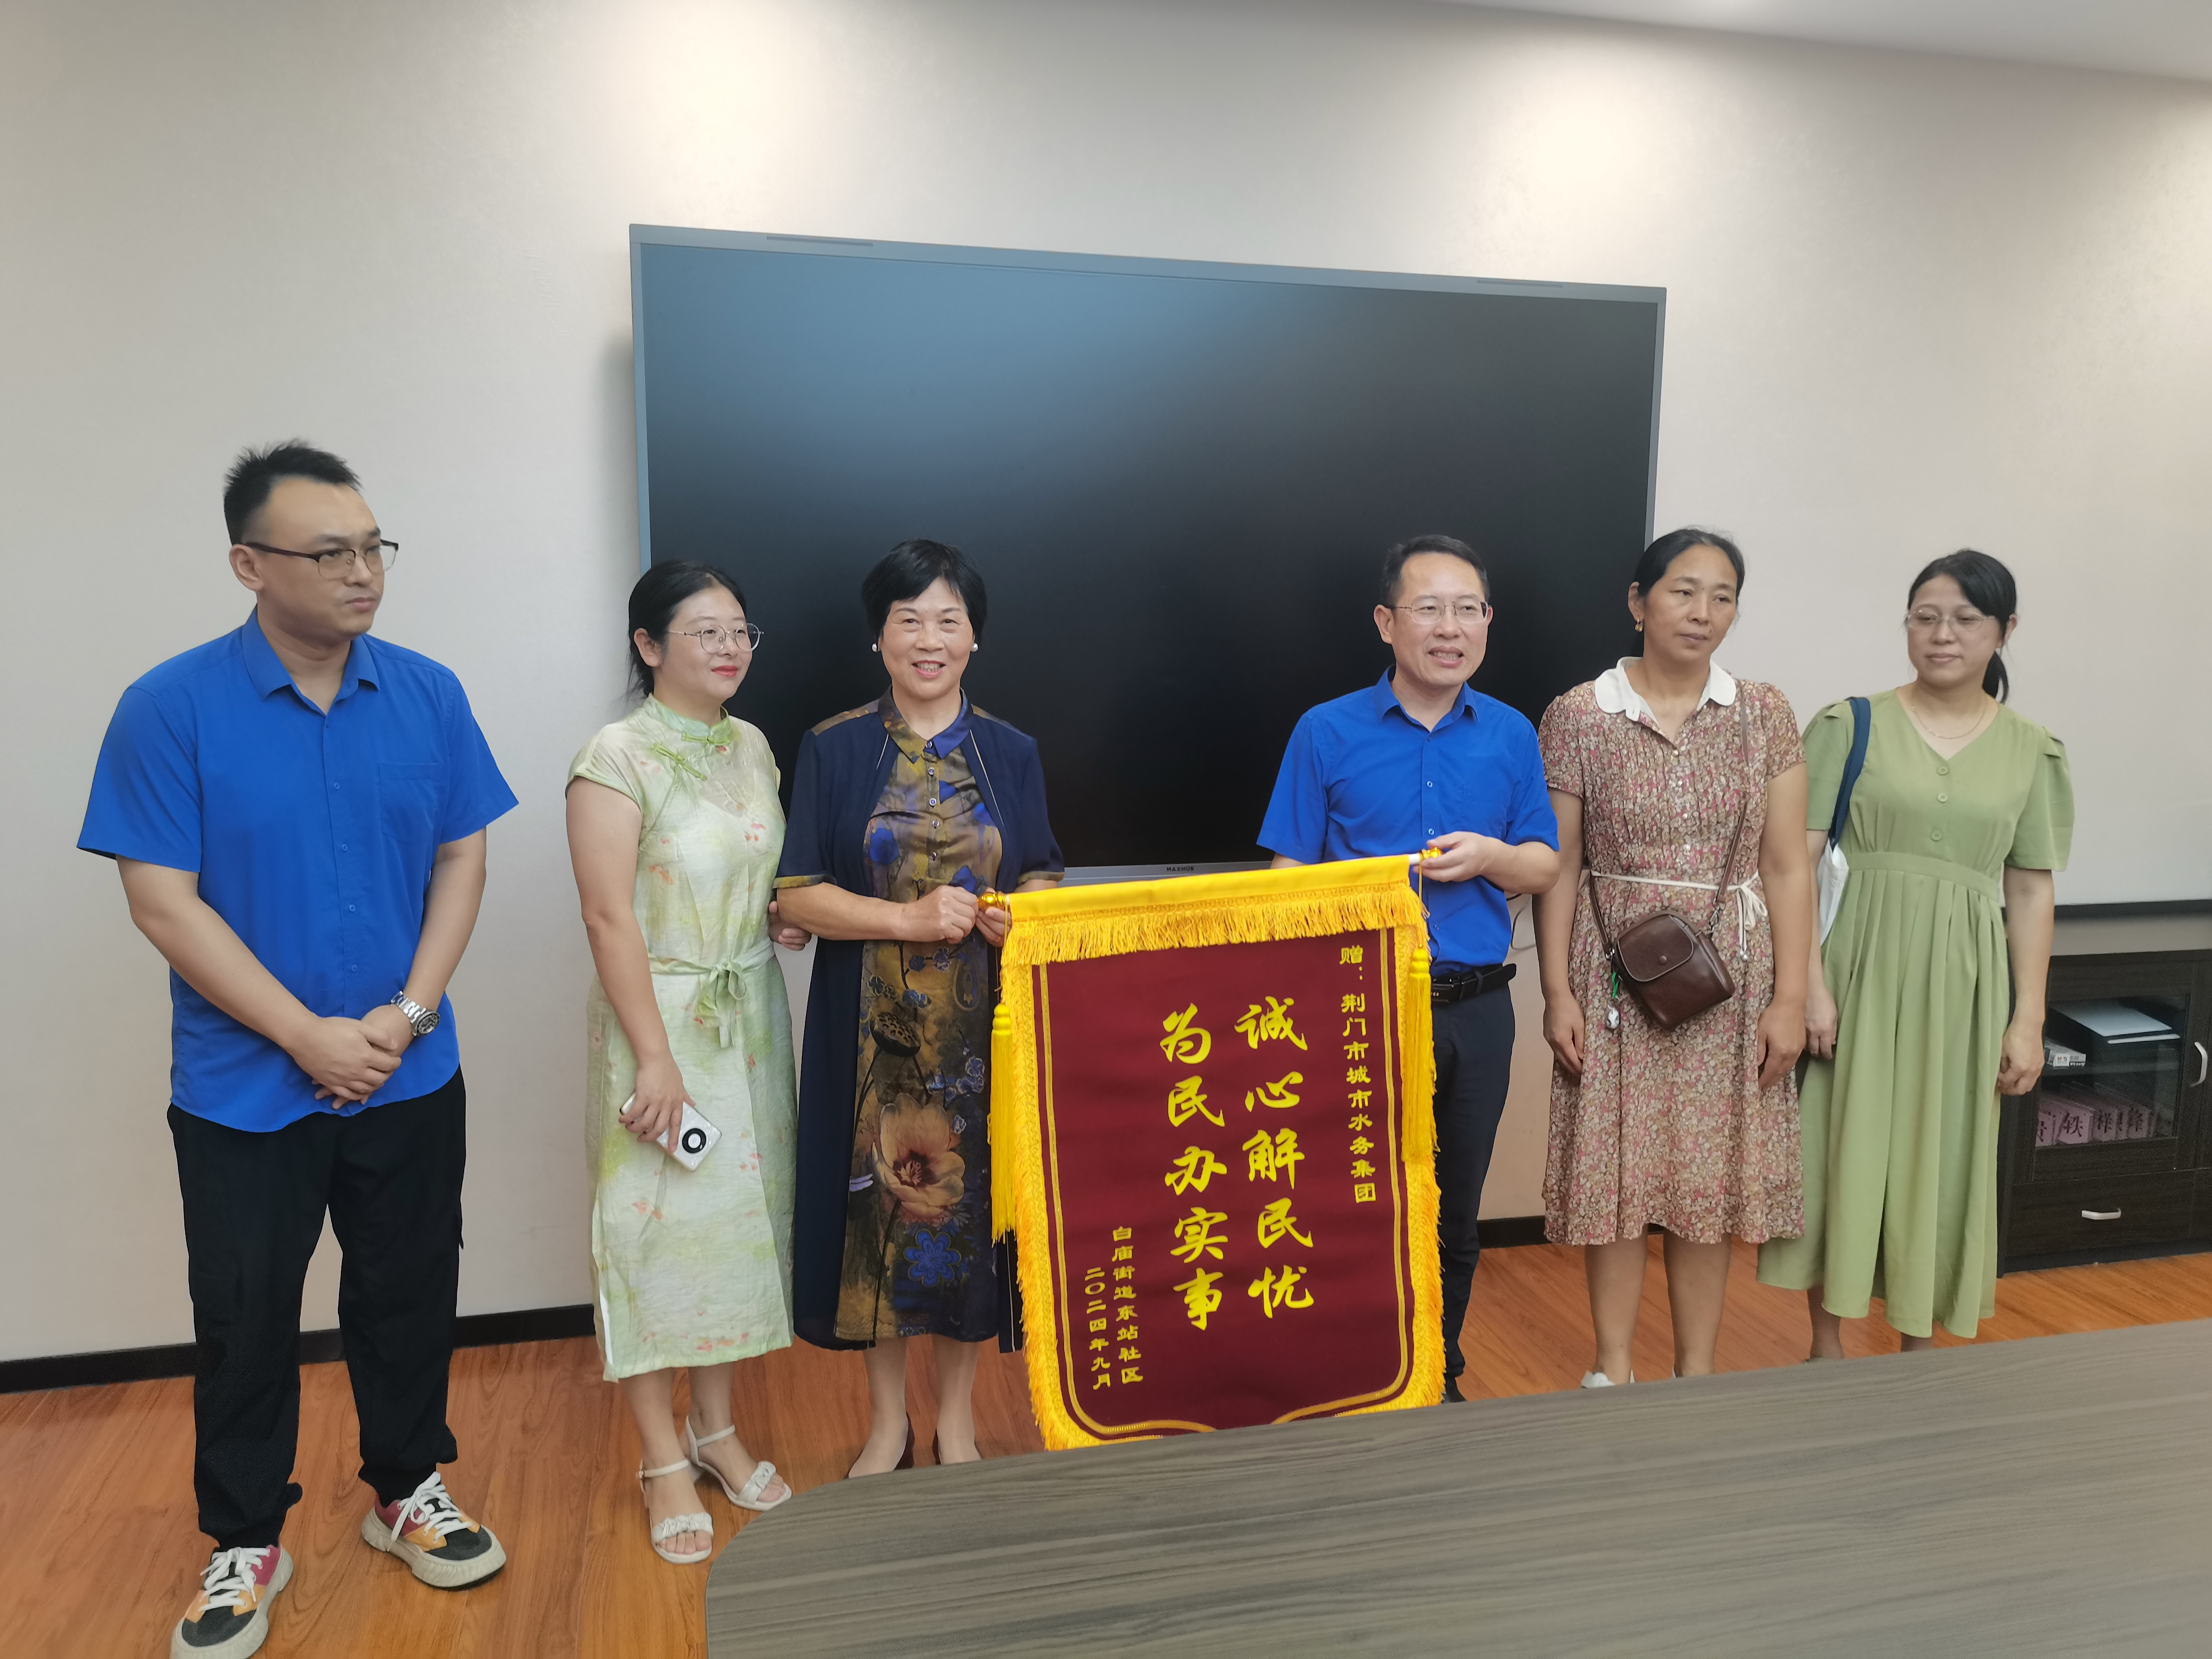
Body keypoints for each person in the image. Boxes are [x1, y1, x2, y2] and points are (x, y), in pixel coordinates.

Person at [80, 443, 515, 1659]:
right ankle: (244, 1540)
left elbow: (462, 854)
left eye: (374, 546)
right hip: (242, 1091)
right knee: (245, 1315)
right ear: (250, 566)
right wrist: (308, 1037)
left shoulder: (427, 693)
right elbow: (162, 901)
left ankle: (405, 1490)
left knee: (407, 1292)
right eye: (330, 553)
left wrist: (408, 1014)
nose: (363, 571)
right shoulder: (169, 707)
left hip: (408, 1070)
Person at [774, 539, 1064, 1476]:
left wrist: (1024, 911)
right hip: (870, 1038)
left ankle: (960, 1424)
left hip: (981, 1036)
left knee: (968, 1223)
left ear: (975, 637)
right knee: (878, 1222)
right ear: (880, 638)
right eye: (909, 621)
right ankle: (889, 1425)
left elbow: (1042, 870)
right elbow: (798, 896)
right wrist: (904, 917)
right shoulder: (834, 746)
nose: (929, 639)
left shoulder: (1011, 751)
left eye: (948, 620)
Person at [1258, 534, 1560, 1402]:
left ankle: (1437, 1370)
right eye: (1429, 608)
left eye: (1468, 610)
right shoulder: (1325, 731)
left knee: (1453, 1209)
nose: (1449, 628)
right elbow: (1286, 880)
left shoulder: (1510, 734)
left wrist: (1491, 856)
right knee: (1349, 1202)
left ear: (1488, 623)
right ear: (1387, 622)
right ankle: (1350, 1373)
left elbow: (1543, 865)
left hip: (1476, 1009)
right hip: (1356, 1006)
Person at [1758, 551, 2067, 1350]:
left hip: (1965, 984)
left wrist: (2028, 1018)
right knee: (1842, 1146)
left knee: (1945, 1152)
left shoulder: (2033, 749)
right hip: (1856, 967)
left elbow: (2030, 889)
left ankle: (1916, 1350)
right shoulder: (1849, 724)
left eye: (1965, 619)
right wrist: (1809, 985)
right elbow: (1794, 863)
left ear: (2004, 631)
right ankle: (1826, 1345)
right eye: (1925, 617)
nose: (1942, 634)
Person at [565, 562, 809, 1564]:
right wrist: (655, 1061)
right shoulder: (614, 756)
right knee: (651, 1232)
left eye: (741, 630)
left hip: (748, 1016)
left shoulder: (750, 745)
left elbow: (748, 868)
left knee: (737, 1231)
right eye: (705, 631)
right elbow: (607, 916)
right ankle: (661, 1456)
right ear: (649, 645)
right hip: (658, 1021)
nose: (729, 648)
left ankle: (716, 1430)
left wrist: (771, 916)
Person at [1534, 528, 1812, 1385]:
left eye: (1723, 597)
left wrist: (1791, 1000)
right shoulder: (1580, 713)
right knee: (1616, 1176)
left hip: (1732, 979)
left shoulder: (1763, 712)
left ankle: (1698, 1376)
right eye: (1683, 591)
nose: (1703, 612)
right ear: (1638, 602)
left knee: (1707, 1180)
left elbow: (1786, 864)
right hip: (1612, 975)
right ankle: (1611, 1370)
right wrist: (1556, 992)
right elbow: (1560, 864)